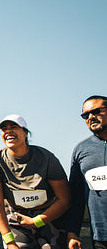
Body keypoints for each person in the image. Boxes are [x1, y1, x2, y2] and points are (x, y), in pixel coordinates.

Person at [0, 115, 70, 249]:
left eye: (13, 127)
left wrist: (35, 221)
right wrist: (10, 242)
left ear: (25, 133)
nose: (8, 131)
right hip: (16, 217)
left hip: (48, 215)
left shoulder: (46, 158)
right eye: (4, 129)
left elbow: (64, 199)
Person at [67, 95, 107, 249]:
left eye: (96, 111)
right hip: (101, 237)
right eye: (85, 115)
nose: (91, 117)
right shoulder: (81, 150)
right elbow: (76, 196)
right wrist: (72, 233)